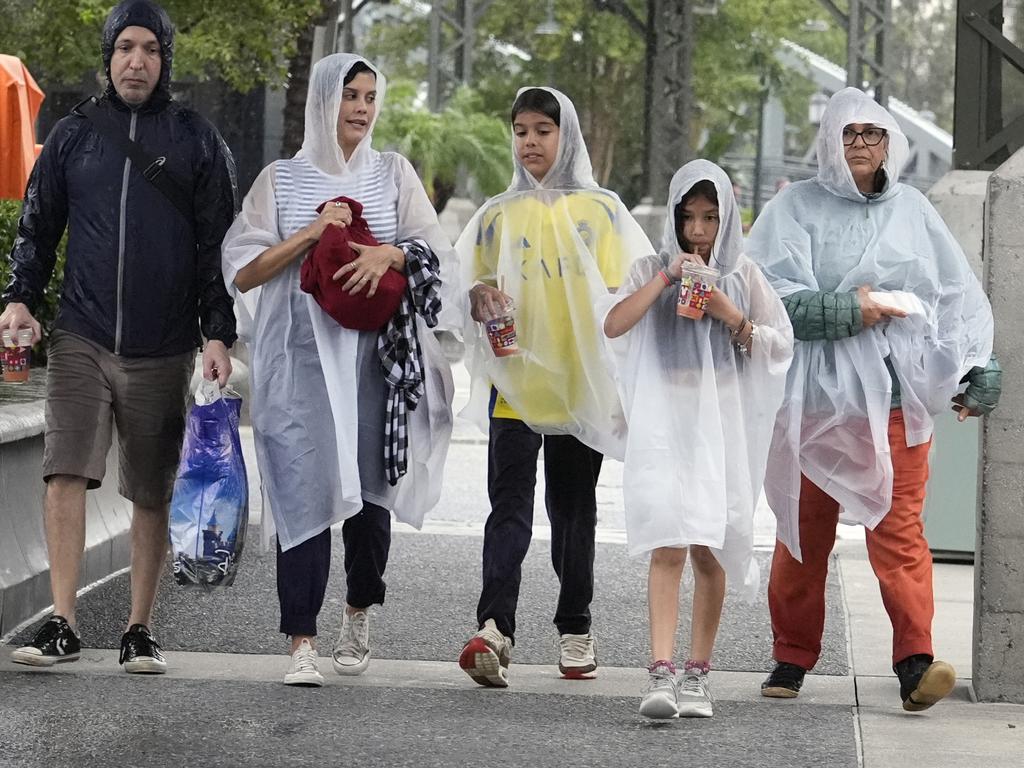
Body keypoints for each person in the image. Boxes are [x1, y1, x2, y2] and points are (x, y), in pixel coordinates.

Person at [747, 87, 1001, 712]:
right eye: (848, 132)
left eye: (873, 132)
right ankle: (791, 655)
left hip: (894, 397)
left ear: (891, 142)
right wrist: (852, 309)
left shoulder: (914, 210)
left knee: (900, 531)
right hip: (814, 400)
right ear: (829, 140)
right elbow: (766, 299)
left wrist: (976, 368)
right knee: (803, 531)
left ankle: (915, 661)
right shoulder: (793, 208)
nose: (860, 143)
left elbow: (953, 298)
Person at [3, 0, 237, 674]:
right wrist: (20, 297)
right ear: (108, 56)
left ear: (166, 59)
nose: (137, 60)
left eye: (151, 50)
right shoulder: (76, 134)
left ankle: (140, 627)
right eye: (126, 47)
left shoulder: (196, 139)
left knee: (152, 490)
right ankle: (63, 622)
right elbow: (38, 226)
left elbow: (214, 245)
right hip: (81, 335)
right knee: (63, 470)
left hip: (164, 344)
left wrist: (217, 333)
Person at [221, 53, 457, 687]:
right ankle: (301, 638)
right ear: (323, 102)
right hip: (297, 362)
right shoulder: (281, 179)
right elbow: (242, 271)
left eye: (370, 96)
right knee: (299, 487)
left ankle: (358, 608)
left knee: (369, 490)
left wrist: (387, 254)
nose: (360, 107)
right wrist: (309, 233)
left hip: (373, 359)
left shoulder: (393, 172)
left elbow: (434, 249)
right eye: (349, 94)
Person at [456, 87, 654, 687]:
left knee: (574, 512)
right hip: (514, 387)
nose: (531, 142)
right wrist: (478, 296)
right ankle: (495, 630)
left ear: (566, 135)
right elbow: (470, 284)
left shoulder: (603, 211)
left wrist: (622, 390)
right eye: (521, 131)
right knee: (507, 510)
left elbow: (628, 298)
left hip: (579, 389)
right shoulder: (496, 213)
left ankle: (575, 628)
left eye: (544, 130)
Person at [602, 160, 793, 718]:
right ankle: (659, 673)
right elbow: (613, 325)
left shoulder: (742, 276)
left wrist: (730, 313)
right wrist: (666, 278)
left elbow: (780, 347)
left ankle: (698, 675)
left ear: (728, 218)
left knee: (711, 547)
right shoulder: (649, 267)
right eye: (689, 217)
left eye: (711, 218)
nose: (699, 231)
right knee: (667, 542)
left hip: (721, 426)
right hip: (663, 422)